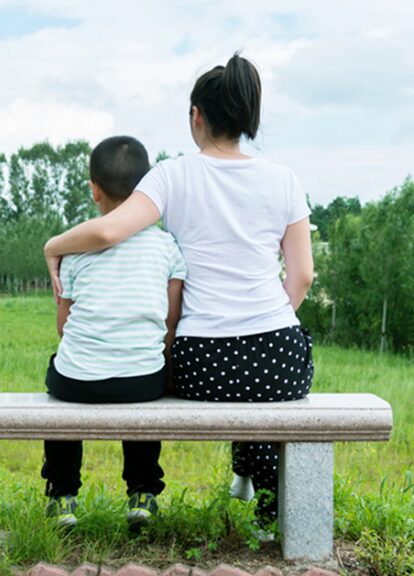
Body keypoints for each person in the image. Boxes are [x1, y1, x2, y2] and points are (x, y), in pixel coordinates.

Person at [43, 54, 315, 538]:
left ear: (196, 116)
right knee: (259, 388)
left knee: (233, 381)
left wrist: (53, 247)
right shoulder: (285, 180)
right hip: (277, 355)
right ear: (248, 116)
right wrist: (261, 320)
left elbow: (108, 233)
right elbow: (303, 277)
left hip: (202, 361)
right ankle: (268, 507)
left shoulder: (171, 175)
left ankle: (246, 481)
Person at [42, 135, 186, 529]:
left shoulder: (74, 249)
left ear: (94, 190)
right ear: (145, 190)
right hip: (142, 381)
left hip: (77, 382)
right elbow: (170, 324)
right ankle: (142, 494)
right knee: (144, 383)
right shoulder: (166, 247)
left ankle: (62, 495)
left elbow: (63, 326)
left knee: (59, 381)